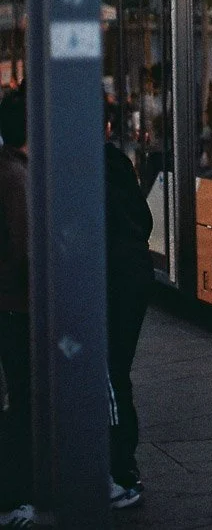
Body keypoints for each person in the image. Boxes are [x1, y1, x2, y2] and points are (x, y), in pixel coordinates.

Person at [105, 112, 155, 510]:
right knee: (118, 372)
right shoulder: (116, 161)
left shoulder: (65, 165)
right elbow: (144, 217)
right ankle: (125, 467)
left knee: (109, 376)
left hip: (111, 277)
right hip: (134, 274)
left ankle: (120, 471)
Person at [0, 89, 32, 528]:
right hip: (14, 304)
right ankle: (14, 496)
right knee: (22, 401)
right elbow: (24, 248)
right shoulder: (16, 177)